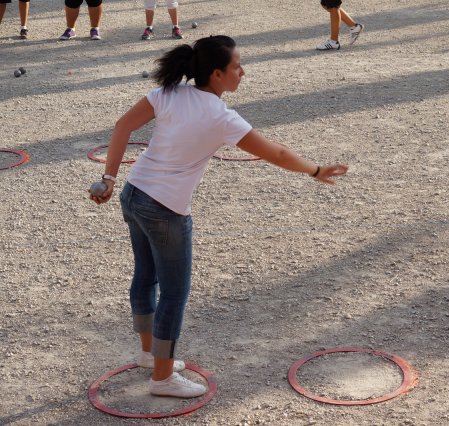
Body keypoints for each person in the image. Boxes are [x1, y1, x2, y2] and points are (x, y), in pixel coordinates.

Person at [89, 35, 348, 398]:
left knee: (145, 277)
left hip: (134, 194)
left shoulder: (169, 93)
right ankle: (162, 378)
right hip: (166, 209)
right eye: (237, 66)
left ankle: (149, 354)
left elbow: (122, 126)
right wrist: (315, 169)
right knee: (174, 293)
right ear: (216, 74)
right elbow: (276, 153)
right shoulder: (220, 116)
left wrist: (108, 178)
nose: (243, 72)